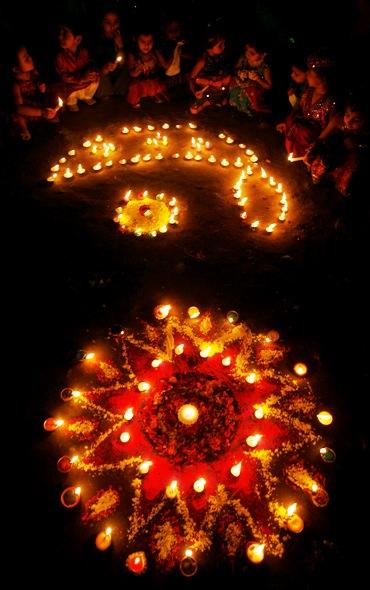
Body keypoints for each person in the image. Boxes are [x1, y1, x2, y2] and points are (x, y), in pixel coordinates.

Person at [307, 94, 369, 196]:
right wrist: (311, 151)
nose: (349, 121)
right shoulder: (338, 120)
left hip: (346, 159)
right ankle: (320, 174)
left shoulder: (363, 134)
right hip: (329, 152)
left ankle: (335, 181)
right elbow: (321, 138)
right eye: (347, 115)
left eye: (357, 120)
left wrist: (355, 146)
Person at [276, 53, 337, 157]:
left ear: (322, 79)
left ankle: (305, 155)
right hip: (300, 126)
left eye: (310, 73)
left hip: (312, 136)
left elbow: (331, 128)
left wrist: (317, 144)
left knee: (302, 131)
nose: (307, 73)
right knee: (293, 122)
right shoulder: (308, 91)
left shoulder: (331, 101)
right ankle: (292, 152)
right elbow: (298, 109)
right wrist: (286, 122)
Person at [11, 45, 58, 140]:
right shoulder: (15, 85)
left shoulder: (33, 73)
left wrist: (41, 90)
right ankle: (24, 130)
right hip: (26, 109)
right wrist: (41, 112)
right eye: (25, 58)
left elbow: (38, 90)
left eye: (28, 55)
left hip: (36, 102)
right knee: (17, 117)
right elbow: (19, 108)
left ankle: (47, 116)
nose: (30, 58)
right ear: (15, 69)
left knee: (53, 96)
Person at [55, 22, 99, 111]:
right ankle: (71, 102)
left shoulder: (84, 52)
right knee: (68, 91)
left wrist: (90, 73)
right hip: (71, 84)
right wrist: (79, 78)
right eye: (60, 34)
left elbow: (88, 65)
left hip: (83, 80)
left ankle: (87, 96)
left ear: (77, 39)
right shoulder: (60, 56)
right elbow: (62, 76)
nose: (60, 37)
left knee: (96, 79)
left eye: (65, 35)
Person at [189, 33, 231, 115]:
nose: (224, 47)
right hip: (205, 87)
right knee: (194, 110)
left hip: (218, 85)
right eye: (220, 45)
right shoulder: (203, 61)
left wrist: (222, 78)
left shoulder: (220, 57)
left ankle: (213, 101)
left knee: (227, 82)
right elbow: (192, 78)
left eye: (223, 44)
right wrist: (195, 92)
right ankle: (206, 102)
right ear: (209, 48)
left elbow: (224, 73)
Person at [229, 39, 272, 116]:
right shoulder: (243, 59)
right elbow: (234, 70)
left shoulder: (264, 67)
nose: (247, 54)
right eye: (247, 51)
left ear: (263, 55)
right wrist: (239, 73)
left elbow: (268, 86)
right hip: (242, 83)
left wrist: (258, 79)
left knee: (251, 89)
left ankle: (252, 107)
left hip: (256, 88)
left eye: (252, 53)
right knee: (233, 80)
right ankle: (236, 104)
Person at [93, 9, 129, 99]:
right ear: (102, 24)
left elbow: (124, 62)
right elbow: (94, 63)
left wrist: (120, 46)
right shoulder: (98, 41)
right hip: (104, 81)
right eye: (108, 23)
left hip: (119, 81)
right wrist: (104, 68)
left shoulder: (123, 39)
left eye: (116, 22)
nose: (113, 26)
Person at [127, 30, 168, 109]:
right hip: (139, 82)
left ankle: (153, 96)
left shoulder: (155, 52)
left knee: (158, 87)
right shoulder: (133, 54)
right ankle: (137, 100)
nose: (147, 45)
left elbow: (165, 65)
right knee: (134, 88)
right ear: (136, 40)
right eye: (143, 41)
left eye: (150, 41)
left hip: (153, 81)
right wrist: (138, 69)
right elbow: (131, 73)